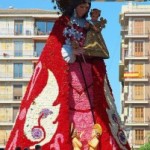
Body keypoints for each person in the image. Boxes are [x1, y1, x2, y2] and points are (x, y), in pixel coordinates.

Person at [6, 0, 131, 150]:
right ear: (73, 5)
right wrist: (72, 52)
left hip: (89, 77)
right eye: (81, 6)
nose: (84, 10)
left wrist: (91, 48)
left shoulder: (88, 25)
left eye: (86, 7)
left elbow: (97, 46)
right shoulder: (63, 23)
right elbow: (55, 50)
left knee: (94, 109)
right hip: (70, 75)